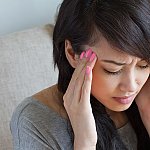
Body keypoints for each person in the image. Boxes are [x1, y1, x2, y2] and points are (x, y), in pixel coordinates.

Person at [10, 0, 150, 149]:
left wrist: (147, 113)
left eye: (144, 65)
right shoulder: (35, 120)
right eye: (112, 70)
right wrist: (85, 142)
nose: (131, 86)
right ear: (72, 54)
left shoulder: (144, 97)